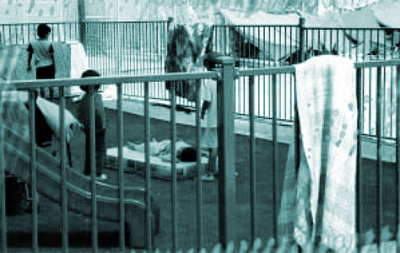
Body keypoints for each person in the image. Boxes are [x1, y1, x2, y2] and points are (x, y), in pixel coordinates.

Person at [200, 54, 238, 181]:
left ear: (206, 65)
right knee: (226, 144)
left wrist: (202, 111)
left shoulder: (210, 81)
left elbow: (207, 100)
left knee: (213, 147)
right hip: (226, 117)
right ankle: (230, 171)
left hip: (213, 118)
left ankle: (210, 172)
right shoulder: (226, 78)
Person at [77, 70, 108, 181]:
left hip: (88, 128)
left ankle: (87, 171)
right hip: (98, 128)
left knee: (89, 150)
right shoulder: (97, 97)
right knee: (99, 151)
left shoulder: (85, 97)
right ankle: (97, 174)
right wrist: (102, 125)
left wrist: (82, 123)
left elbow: (79, 112)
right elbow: (99, 112)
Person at [27, 24, 56, 98]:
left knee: (41, 86)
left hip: (40, 67)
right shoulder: (49, 43)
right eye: (48, 33)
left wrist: (29, 65)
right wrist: (55, 66)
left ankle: (43, 100)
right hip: (49, 66)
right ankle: (51, 99)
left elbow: (30, 55)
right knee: (51, 85)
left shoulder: (33, 43)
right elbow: (52, 56)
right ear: (46, 33)